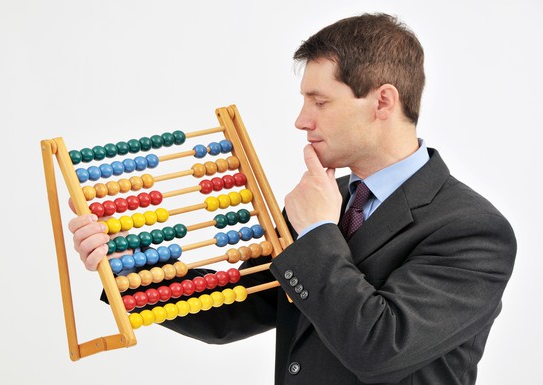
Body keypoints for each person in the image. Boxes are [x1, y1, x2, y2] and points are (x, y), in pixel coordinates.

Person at [69, 13, 516, 385]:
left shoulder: (473, 230)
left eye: (319, 102)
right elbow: (233, 310)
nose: (301, 120)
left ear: (382, 102)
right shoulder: (327, 200)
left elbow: (379, 348)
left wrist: (320, 231)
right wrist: (123, 261)